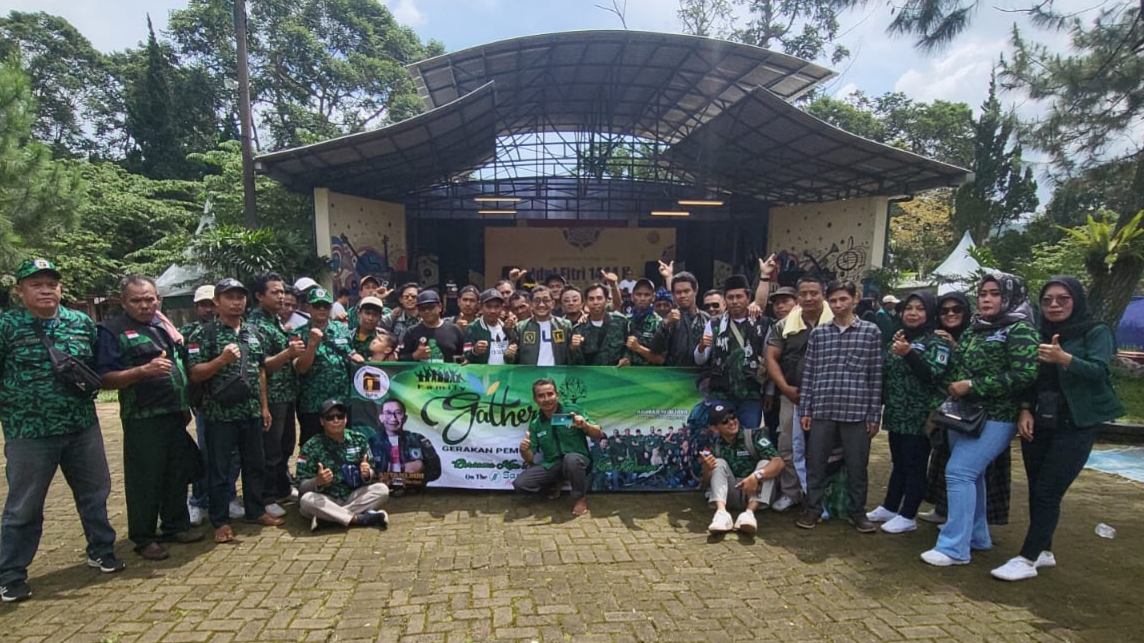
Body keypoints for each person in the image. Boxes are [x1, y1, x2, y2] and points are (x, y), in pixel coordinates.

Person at [0, 259, 124, 602]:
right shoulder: (6, 327)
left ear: (60, 289)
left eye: (51, 284)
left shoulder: (80, 323)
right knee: (24, 505)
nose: (45, 290)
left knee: (95, 492)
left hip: (81, 426)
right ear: (20, 291)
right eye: (36, 284)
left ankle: (100, 549)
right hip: (29, 432)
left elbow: (98, 367)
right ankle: (11, 573)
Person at [990, 277, 1124, 581]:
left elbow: (1099, 371)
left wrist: (1064, 358)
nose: (1054, 305)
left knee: (1049, 490)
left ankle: (1026, 559)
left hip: (1076, 424)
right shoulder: (1036, 333)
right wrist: (1025, 409)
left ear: (1076, 300)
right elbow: (1029, 378)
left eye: (1062, 299)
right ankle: (1044, 551)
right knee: (1037, 488)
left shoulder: (1095, 331)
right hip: (1039, 420)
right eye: (1048, 299)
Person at [921, 272, 1039, 567]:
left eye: (995, 293)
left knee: (959, 472)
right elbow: (959, 366)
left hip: (998, 416)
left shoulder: (1020, 330)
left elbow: (1026, 374)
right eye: (983, 293)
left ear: (1011, 296)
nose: (986, 299)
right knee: (972, 476)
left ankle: (953, 548)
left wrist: (975, 386)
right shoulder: (977, 329)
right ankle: (976, 535)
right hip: (965, 414)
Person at [96, 275, 201, 561]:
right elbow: (104, 378)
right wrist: (141, 372)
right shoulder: (112, 331)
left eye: (149, 299)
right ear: (123, 302)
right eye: (136, 300)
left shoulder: (161, 326)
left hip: (173, 414)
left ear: (158, 299)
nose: (144, 305)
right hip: (143, 418)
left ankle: (175, 526)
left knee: (175, 473)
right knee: (146, 479)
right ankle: (143, 537)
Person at [186, 278, 284, 544]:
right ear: (217, 302)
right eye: (229, 297)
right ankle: (220, 521)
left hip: (251, 412)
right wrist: (221, 360)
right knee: (220, 469)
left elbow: (261, 370)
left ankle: (255, 510)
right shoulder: (203, 334)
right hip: (219, 414)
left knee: (255, 465)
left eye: (240, 297)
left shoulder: (253, 332)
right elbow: (194, 373)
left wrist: (264, 407)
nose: (236, 302)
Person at [796, 280, 883, 533]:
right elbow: (809, 374)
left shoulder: (870, 332)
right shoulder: (819, 334)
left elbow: (875, 375)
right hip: (822, 409)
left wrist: (874, 415)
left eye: (843, 299)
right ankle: (813, 509)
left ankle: (858, 512)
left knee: (857, 466)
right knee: (816, 464)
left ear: (855, 299)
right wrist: (806, 410)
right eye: (833, 300)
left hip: (856, 412)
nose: (838, 305)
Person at [920, 291, 1012, 527]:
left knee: (969, 471)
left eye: (956, 310)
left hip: (985, 415)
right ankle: (947, 512)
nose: (950, 314)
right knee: (944, 463)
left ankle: (964, 531)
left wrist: (956, 347)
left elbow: (1014, 373)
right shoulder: (948, 334)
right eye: (944, 310)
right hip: (950, 409)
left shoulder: (993, 332)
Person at [865, 291, 951, 534]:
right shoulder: (898, 337)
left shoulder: (937, 341)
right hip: (897, 413)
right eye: (909, 308)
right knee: (899, 462)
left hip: (921, 416)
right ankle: (891, 506)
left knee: (915, 465)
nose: (913, 313)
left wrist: (910, 354)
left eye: (920, 308)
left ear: (930, 313)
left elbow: (934, 374)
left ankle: (908, 514)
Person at [765, 278, 830, 513]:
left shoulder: (836, 323)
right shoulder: (783, 325)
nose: (809, 298)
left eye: (814, 293)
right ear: (798, 298)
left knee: (822, 447)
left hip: (826, 398)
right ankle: (791, 492)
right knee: (787, 444)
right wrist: (784, 388)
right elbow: (771, 358)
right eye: (804, 294)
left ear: (823, 294)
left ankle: (818, 497)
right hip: (792, 395)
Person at [247, 273, 306, 518]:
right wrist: (288, 352)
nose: (281, 296)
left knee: (285, 445)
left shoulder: (276, 321)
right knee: (270, 450)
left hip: (287, 393)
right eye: (275, 292)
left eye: (282, 292)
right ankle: (266, 496)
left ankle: (282, 487)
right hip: (270, 396)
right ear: (260, 296)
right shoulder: (256, 324)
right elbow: (263, 366)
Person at [695, 267, 776, 429]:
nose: (735, 301)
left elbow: (770, 360)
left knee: (749, 436)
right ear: (725, 300)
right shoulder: (715, 323)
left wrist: (770, 392)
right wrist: (702, 346)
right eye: (730, 297)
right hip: (721, 393)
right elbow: (700, 359)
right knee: (721, 436)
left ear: (748, 298)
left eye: (739, 296)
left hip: (751, 394)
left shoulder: (763, 324)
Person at [296, 399, 390, 531]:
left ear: (345, 419)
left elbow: (372, 470)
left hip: (351, 496)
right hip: (325, 498)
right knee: (306, 500)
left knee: (382, 490)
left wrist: (368, 473)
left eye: (340, 416)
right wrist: (317, 481)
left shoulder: (359, 439)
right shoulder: (311, 446)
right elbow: (300, 485)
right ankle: (360, 519)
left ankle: (328, 519)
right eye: (330, 417)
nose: (336, 421)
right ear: (322, 421)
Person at [514, 378, 603, 517]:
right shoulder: (536, 423)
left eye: (550, 394)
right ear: (535, 399)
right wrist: (524, 450)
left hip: (578, 460)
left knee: (571, 460)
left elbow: (598, 433)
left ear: (557, 394)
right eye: (541, 396)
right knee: (520, 484)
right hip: (552, 464)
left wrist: (585, 426)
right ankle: (555, 482)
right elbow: (530, 457)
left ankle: (580, 498)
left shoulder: (571, 412)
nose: (546, 399)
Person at [294, 287, 364, 447]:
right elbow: (301, 368)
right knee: (313, 445)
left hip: (342, 400)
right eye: (317, 305)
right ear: (308, 307)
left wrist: (356, 357)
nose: (321, 309)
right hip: (313, 403)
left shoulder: (341, 329)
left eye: (325, 306)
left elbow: (349, 352)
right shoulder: (298, 334)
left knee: (344, 444)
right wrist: (311, 345)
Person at [700, 404, 785, 535]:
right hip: (730, 495)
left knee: (765, 463)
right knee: (718, 462)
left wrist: (756, 476)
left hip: (755, 493)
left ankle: (749, 514)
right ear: (715, 428)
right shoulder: (713, 445)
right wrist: (706, 469)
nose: (731, 422)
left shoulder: (754, 436)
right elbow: (705, 483)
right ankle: (722, 514)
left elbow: (779, 462)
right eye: (725, 421)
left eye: (733, 417)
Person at [363, 398, 442, 491]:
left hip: (414, 494)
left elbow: (436, 470)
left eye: (398, 413)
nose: (393, 418)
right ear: (381, 418)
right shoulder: (372, 442)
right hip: (382, 493)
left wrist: (422, 467)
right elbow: (365, 471)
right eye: (388, 413)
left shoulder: (417, 439)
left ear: (405, 418)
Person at [650, 271, 709, 367]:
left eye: (686, 291)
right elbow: (655, 349)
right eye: (678, 292)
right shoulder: (669, 320)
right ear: (673, 294)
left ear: (695, 291)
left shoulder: (707, 319)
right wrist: (665, 325)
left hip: (702, 375)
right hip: (676, 376)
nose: (682, 295)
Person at [398, 290, 467, 363]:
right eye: (422, 308)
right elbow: (399, 359)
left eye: (430, 307)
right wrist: (415, 355)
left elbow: (464, 356)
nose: (427, 311)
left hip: (448, 373)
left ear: (440, 307)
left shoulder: (454, 330)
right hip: (420, 373)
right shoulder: (411, 332)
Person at [571, 283, 629, 366]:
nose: (595, 302)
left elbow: (630, 346)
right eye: (591, 299)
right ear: (586, 302)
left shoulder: (620, 322)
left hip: (617, 375)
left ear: (606, 300)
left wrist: (626, 358)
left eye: (599, 298)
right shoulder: (579, 329)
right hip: (591, 376)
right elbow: (575, 363)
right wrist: (573, 348)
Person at [515, 286, 573, 366]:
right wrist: (509, 355)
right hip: (529, 375)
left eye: (546, 300)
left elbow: (571, 356)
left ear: (553, 304)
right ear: (531, 304)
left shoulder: (565, 325)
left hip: (557, 375)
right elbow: (513, 359)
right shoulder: (520, 327)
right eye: (537, 301)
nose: (541, 305)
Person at [464, 289, 518, 365]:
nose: (493, 311)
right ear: (480, 306)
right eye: (488, 306)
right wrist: (474, 351)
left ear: (502, 307)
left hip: (506, 375)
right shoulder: (472, 328)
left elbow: (518, 354)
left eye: (497, 306)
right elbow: (465, 354)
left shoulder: (508, 328)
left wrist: (511, 355)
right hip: (482, 375)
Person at [623, 278, 664, 366]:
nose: (642, 298)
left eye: (647, 295)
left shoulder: (659, 323)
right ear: (632, 297)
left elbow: (661, 359)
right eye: (638, 294)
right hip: (626, 375)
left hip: (650, 376)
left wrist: (638, 348)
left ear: (653, 297)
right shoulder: (624, 320)